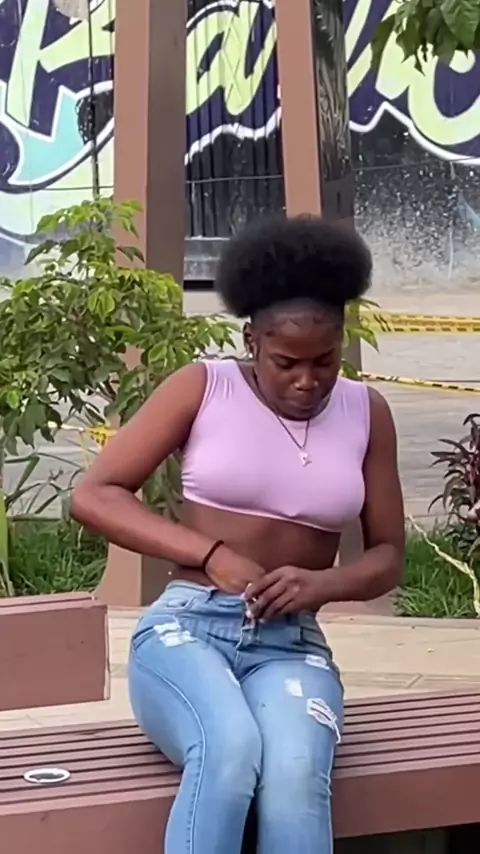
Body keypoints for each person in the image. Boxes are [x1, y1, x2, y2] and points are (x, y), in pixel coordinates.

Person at [71, 215, 404, 854]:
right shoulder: (205, 388)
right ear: (252, 340)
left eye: (324, 361)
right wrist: (211, 553)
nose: (307, 380)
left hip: (291, 645)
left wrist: (322, 584)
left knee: (296, 776)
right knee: (229, 748)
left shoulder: (367, 412)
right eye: (286, 362)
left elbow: (388, 556)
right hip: (188, 628)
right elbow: (94, 494)